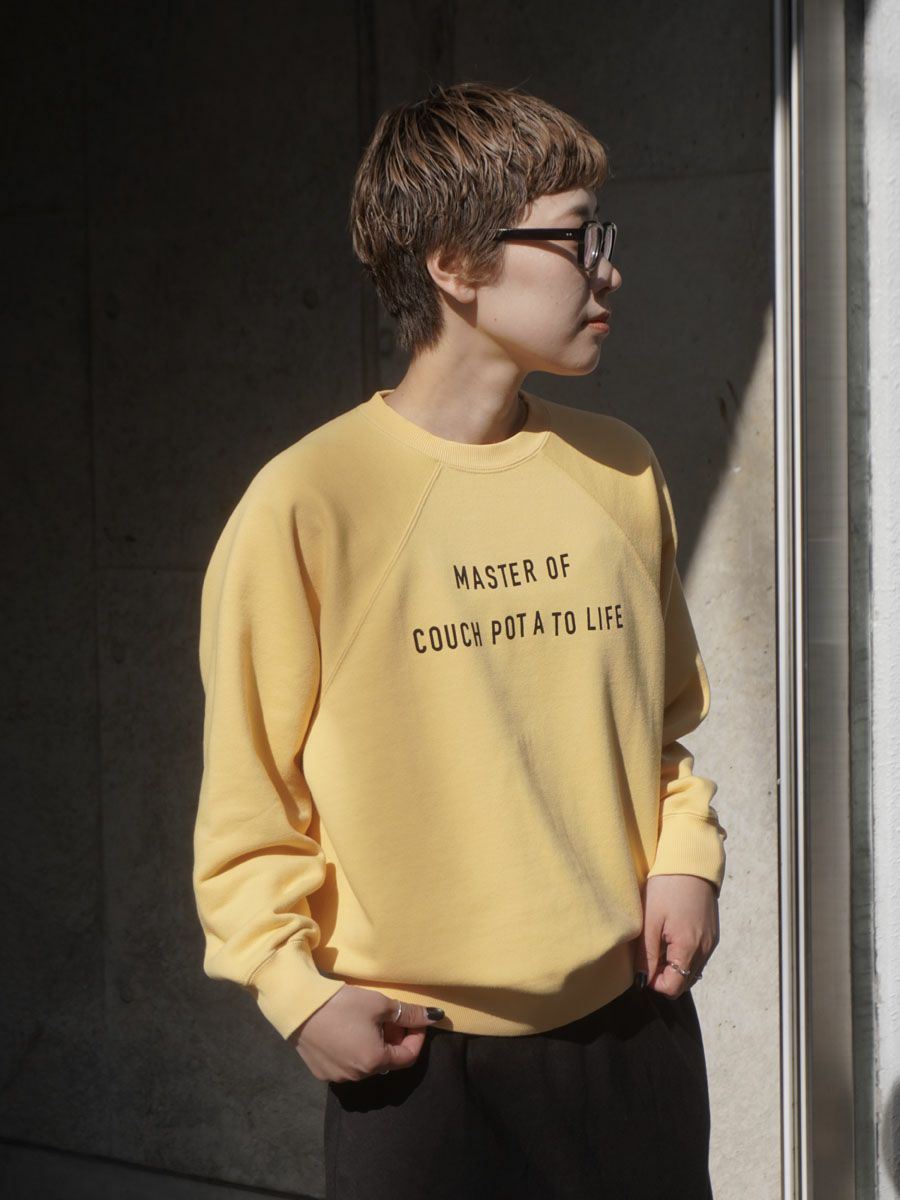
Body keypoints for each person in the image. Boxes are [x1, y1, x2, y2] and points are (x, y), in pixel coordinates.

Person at [193, 80, 727, 1199]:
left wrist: (686, 859)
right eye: (577, 238)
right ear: (455, 263)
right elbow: (250, 801)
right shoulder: (312, 500)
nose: (609, 271)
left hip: (635, 1032)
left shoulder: (621, 470)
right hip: (421, 1062)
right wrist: (296, 995)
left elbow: (661, 728)